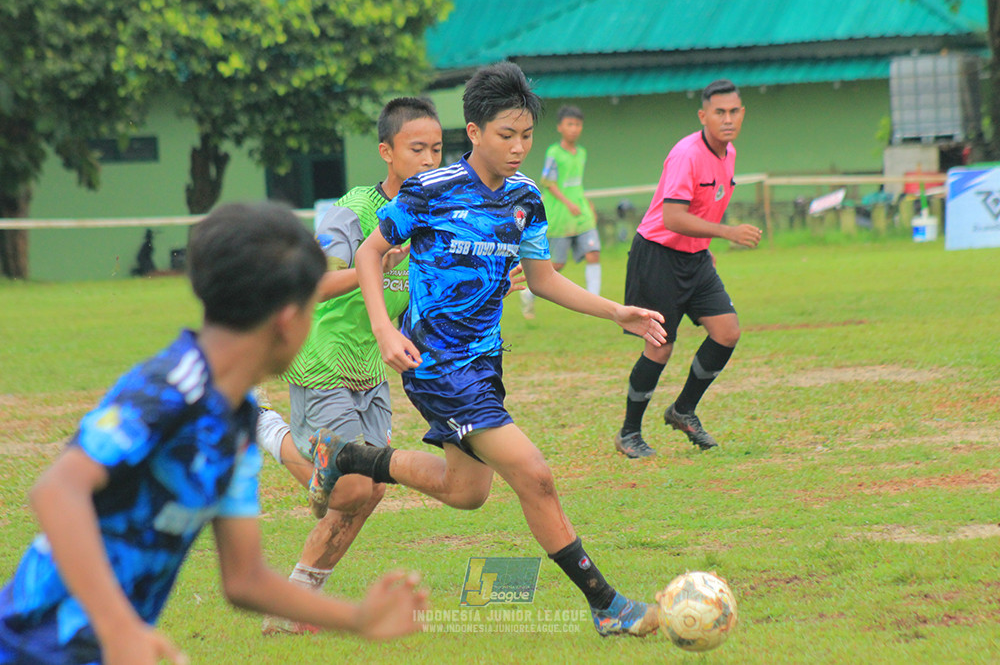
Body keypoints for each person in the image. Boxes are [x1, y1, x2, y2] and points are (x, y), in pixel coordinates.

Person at [309, 61, 667, 638]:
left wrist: (617, 311)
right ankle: (605, 602)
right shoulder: (429, 191)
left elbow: (545, 279)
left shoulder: (525, 198)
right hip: (435, 364)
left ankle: (348, 457)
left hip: (485, 363)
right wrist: (383, 329)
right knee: (534, 474)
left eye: (527, 135)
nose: (520, 147)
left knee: (467, 492)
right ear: (473, 132)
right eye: (507, 135)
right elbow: (371, 255)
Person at [0, 202, 427, 665]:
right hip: (32, 646)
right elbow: (57, 491)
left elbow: (244, 579)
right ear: (287, 320)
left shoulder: (236, 419)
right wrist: (120, 628)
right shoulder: (172, 386)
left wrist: (358, 619)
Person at [252, 97, 444, 636]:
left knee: (370, 490)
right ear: (387, 152)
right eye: (417, 149)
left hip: (371, 366)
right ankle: (265, 428)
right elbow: (311, 283)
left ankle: (292, 609)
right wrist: (375, 265)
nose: (430, 160)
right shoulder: (355, 209)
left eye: (437, 149)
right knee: (352, 487)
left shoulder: (433, 214)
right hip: (322, 360)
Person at [613, 79, 761, 459]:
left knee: (727, 332)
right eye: (719, 112)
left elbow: (706, 205)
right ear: (703, 116)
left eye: (734, 112)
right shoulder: (686, 154)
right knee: (660, 348)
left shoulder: (729, 154)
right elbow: (674, 217)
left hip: (696, 258)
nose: (727, 119)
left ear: (742, 114)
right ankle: (629, 433)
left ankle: (683, 410)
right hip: (658, 255)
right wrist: (727, 232)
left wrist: (707, 247)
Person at [521, 105, 600, 319]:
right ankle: (528, 294)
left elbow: (576, 184)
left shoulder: (582, 153)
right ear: (560, 127)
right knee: (556, 264)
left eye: (577, 124)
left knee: (593, 254)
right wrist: (568, 203)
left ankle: (593, 305)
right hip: (560, 214)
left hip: (581, 213)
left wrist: (584, 202)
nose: (574, 128)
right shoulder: (554, 153)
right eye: (570, 124)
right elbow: (549, 182)